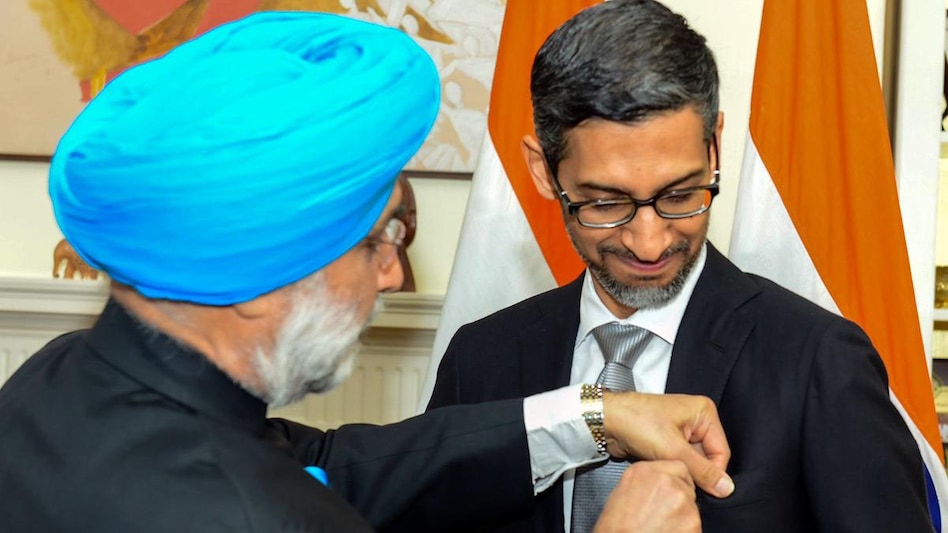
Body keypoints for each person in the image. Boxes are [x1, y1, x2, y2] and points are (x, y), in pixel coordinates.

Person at [0, 11, 735, 533]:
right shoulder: (259, 515)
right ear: (264, 277)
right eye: (380, 238)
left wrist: (592, 416)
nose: (390, 273)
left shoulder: (57, 381)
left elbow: (325, 461)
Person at [427, 1, 933, 532]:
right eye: (606, 203)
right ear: (543, 171)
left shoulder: (817, 360)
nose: (649, 243)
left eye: (679, 195)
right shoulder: (479, 362)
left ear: (714, 149)